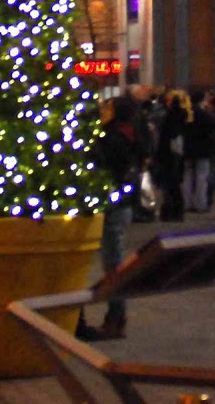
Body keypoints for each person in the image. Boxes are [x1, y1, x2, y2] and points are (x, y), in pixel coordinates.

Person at [77, 94, 147, 341]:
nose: (104, 109)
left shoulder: (112, 139)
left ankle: (117, 316)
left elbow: (102, 166)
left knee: (113, 263)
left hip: (112, 205)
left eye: (108, 106)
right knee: (113, 260)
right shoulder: (131, 134)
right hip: (123, 204)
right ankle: (116, 316)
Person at [154, 90, 189, 222]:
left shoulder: (168, 118)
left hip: (168, 155)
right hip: (176, 155)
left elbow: (164, 138)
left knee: (169, 185)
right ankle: (176, 211)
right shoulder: (183, 118)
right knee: (175, 184)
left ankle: (169, 210)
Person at [183, 89, 215, 213]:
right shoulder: (204, 114)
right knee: (201, 177)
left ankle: (186, 203)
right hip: (203, 148)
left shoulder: (187, 113)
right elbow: (213, 125)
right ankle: (200, 203)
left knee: (187, 176)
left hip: (188, 148)